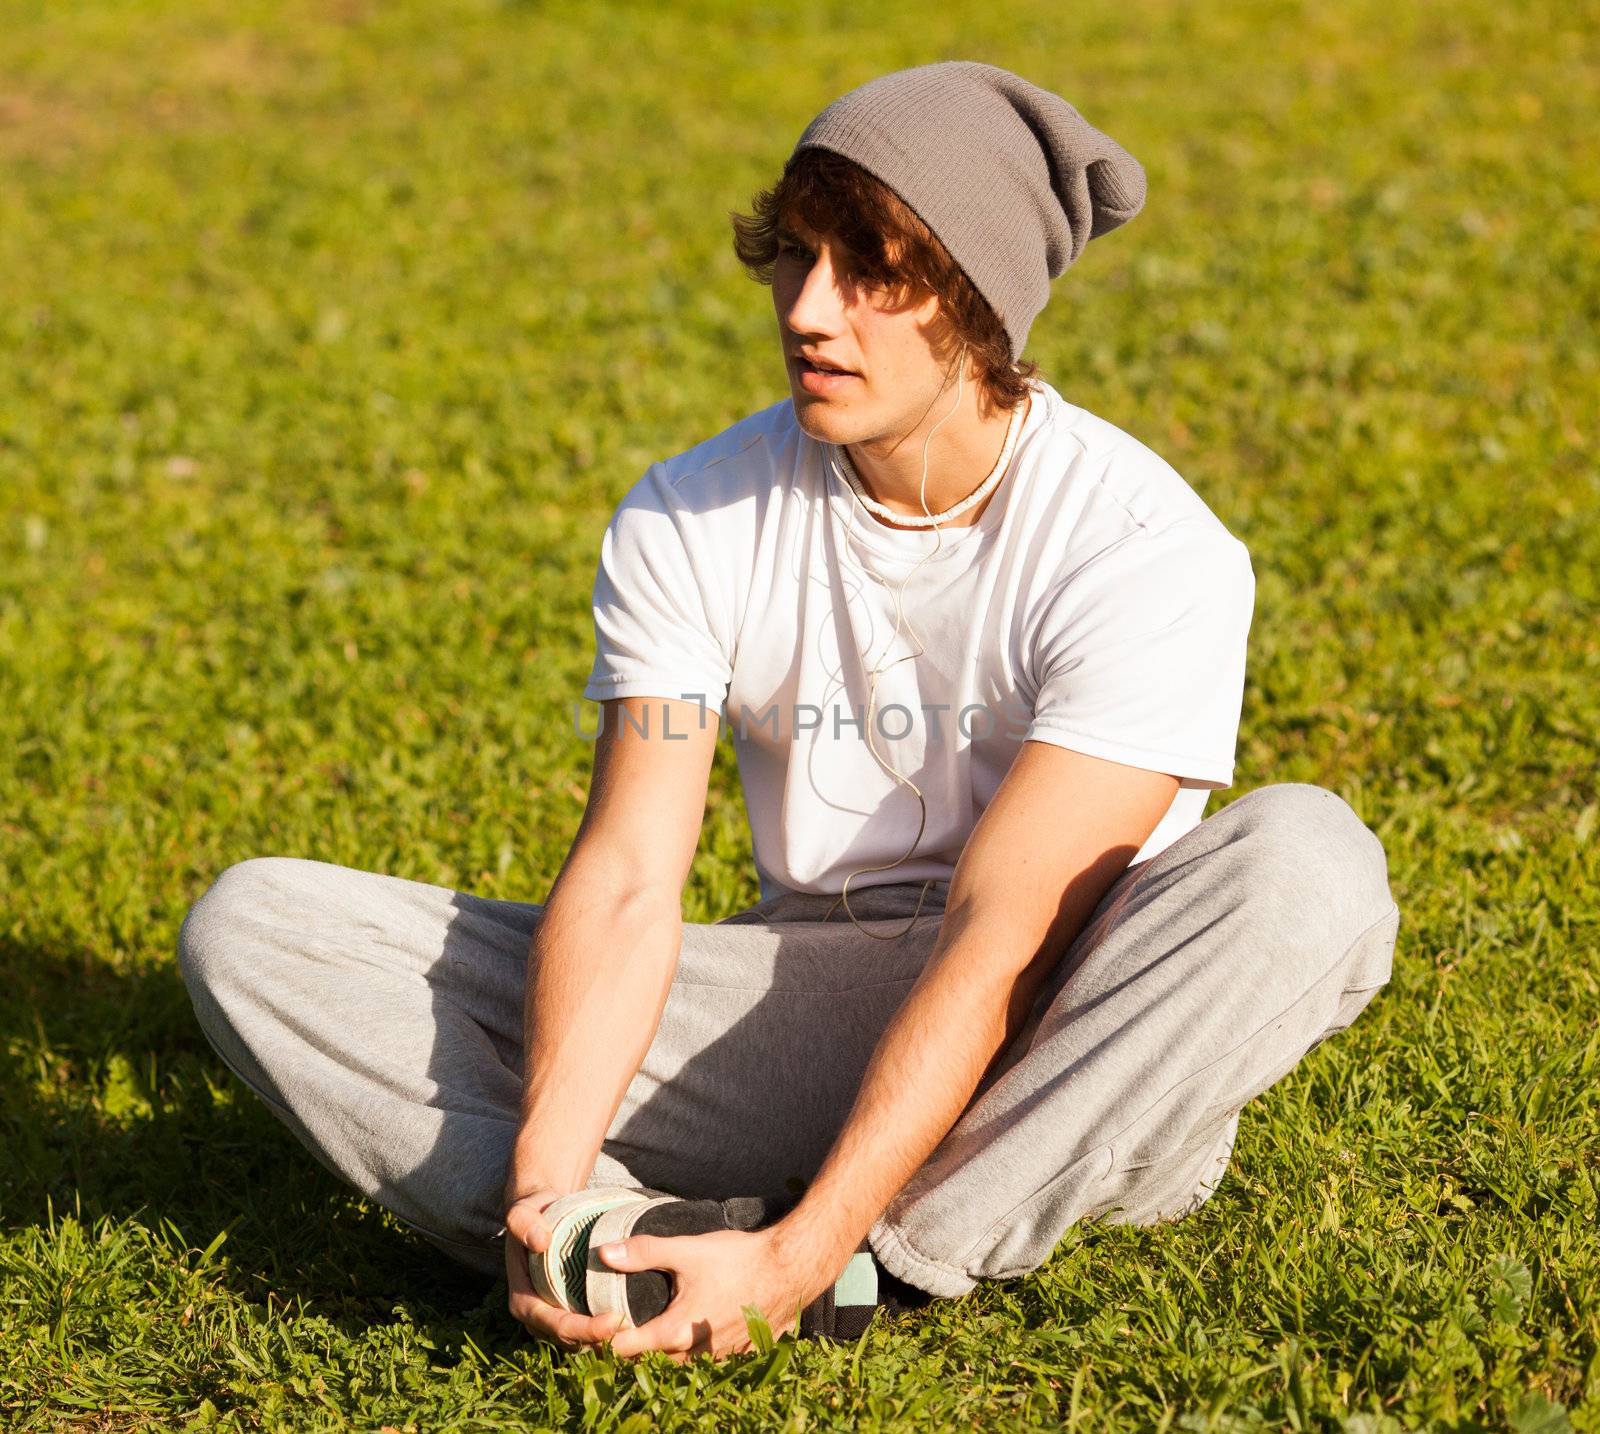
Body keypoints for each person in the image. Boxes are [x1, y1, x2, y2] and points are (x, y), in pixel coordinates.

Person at [175, 61, 1400, 1363]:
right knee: (259, 929)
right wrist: (542, 1188)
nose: (813, 311)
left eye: (876, 273)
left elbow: (1010, 935)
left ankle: (867, 1266)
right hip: (804, 999)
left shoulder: (1146, 546)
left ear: (979, 303)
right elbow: (633, 877)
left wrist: (821, 1243)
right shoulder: (691, 515)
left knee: (1309, 865)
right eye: (798, 258)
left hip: (1064, 1020)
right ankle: (619, 1247)